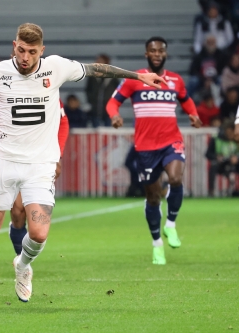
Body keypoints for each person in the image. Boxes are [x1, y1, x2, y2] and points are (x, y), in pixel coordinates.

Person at [0, 23, 167, 306]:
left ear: (41, 51)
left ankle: (22, 265)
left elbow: (96, 69)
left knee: (39, 233)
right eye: (20, 50)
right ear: (14, 45)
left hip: (40, 164)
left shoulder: (55, 67)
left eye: (32, 52)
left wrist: (139, 77)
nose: (25, 57)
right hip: (2, 161)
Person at [106, 36, 202, 265]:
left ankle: (170, 225)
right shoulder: (134, 79)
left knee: (176, 178)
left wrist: (194, 114)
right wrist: (115, 116)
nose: (157, 54)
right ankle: (157, 244)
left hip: (171, 140)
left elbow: (186, 100)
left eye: (161, 50)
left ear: (165, 54)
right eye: (153, 50)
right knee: (153, 197)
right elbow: (112, 102)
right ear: (146, 54)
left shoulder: (175, 80)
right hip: (146, 147)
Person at [0, 94, 69, 257]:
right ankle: (21, 260)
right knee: (17, 213)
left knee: (32, 221)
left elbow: (63, 121)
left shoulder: (45, 88)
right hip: (7, 158)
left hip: (38, 160)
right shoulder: (0, 87)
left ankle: (23, 264)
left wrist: (58, 154)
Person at [205, 120, 239, 196]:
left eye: (231, 133)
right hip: (221, 164)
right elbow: (208, 154)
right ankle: (211, 191)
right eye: (228, 133)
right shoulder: (216, 139)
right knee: (213, 167)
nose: (230, 135)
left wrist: (236, 157)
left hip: (234, 163)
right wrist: (216, 157)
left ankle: (236, 190)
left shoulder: (237, 139)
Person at [85, 54, 119, 127]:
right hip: (95, 109)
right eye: (97, 61)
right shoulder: (92, 77)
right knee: (96, 132)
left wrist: (113, 103)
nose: (98, 63)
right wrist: (91, 101)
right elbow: (88, 90)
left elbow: (118, 91)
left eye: (100, 61)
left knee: (108, 132)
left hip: (108, 110)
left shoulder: (113, 77)